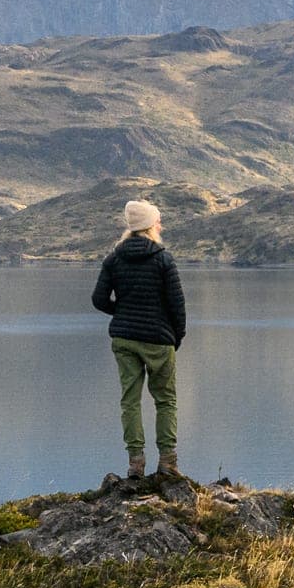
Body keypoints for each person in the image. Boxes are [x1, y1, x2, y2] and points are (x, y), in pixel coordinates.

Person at [91, 199, 187, 482]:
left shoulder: (114, 259)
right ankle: (168, 463)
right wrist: (176, 336)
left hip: (124, 338)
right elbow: (177, 307)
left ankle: (135, 464)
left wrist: (121, 313)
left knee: (130, 401)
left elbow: (98, 300)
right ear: (149, 226)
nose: (161, 225)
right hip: (158, 339)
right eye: (158, 221)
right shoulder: (163, 259)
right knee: (165, 400)